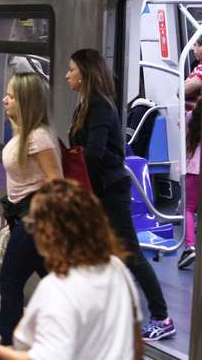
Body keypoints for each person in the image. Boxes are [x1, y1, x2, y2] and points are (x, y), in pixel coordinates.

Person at [66, 48, 175, 341]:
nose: (67, 76)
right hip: (98, 191)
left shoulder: (100, 106)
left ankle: (162, 316)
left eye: (71, 70)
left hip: (110, 192)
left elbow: (95, 152)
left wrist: (70, 170)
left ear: (85, 73)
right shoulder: (85, 105)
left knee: (129, 252)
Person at [0, 179, 142, 360]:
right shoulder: (116, 268)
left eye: (32, 226)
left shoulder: (57, 288)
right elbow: (137, 343)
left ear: (50, 235)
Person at [0, 73, 62, 344]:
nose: (4, 100)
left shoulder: (39, 138)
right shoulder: (23, 133)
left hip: (34, 220)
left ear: (25, 101)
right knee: (58, 284)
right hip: (21, 217)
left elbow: (57, 182)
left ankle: (0, 348)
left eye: (10, 96)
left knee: (10, 282)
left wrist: (33, 217)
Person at [180, 98, 202, 269]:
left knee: (187, 208)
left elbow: (181, 126)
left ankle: (189, 247)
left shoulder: (191, 117)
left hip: (193, 169)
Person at [184, 34, 202, 110]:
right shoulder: (200, 64)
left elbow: (183, 92)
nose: (193, 49)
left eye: (195, 45)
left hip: (196, 117)